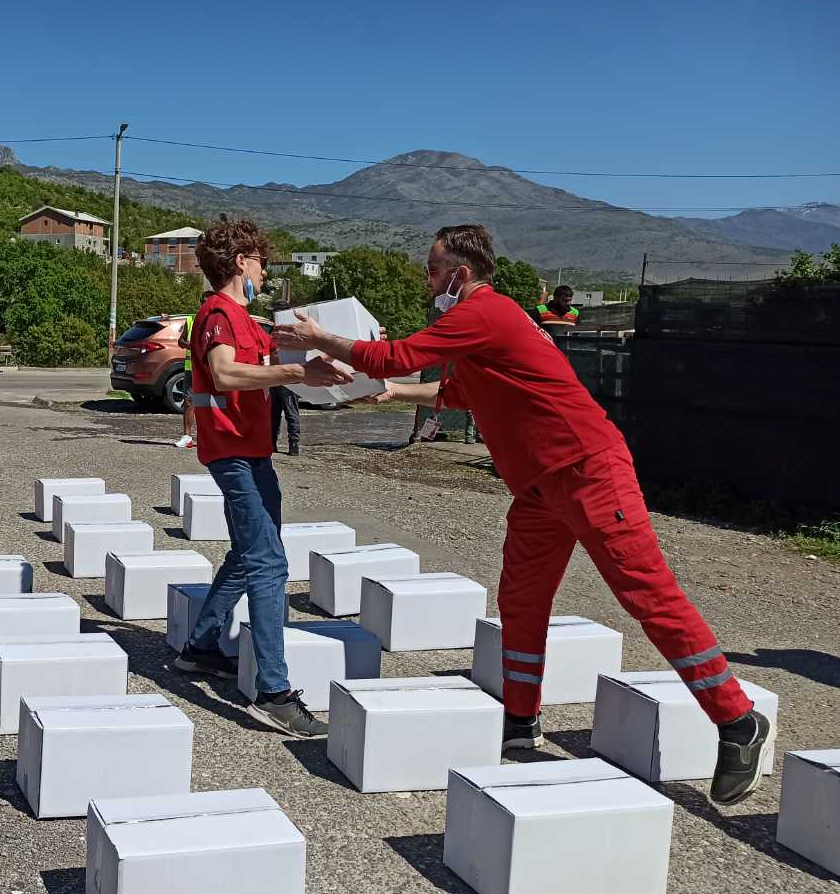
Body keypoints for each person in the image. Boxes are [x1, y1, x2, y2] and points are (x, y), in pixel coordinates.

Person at [273, 224, 773, 805]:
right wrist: (395, 394)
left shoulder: (485, 310)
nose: (428, 283)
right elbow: (460, 393)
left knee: (649, 596)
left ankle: (738, 721)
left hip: (588, 469)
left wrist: (320, 337)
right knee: (521, 600)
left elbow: (396, 355)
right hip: (541, 486)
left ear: (459, 274)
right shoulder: (482, 323)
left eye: (433, 272)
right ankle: (520, 719)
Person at [169, 219, 351, 738]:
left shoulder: (246, 320)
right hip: (233, 455)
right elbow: (224, 374)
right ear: (240, 262)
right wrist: (298, 373)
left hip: (253, 452)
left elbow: (272, 364)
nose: (266, 270)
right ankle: (274, 691)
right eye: (262, 261)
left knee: (249, 555)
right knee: (269, 562)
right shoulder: (218, 315)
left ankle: (201, 649)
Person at [268, 300, 301, 456]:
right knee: (273, 413)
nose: (271, 316)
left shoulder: (293, 331)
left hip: (288, 379)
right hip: (274, 377)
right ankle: (271, 443)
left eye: (273, 312)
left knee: (290, 412)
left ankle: (293, 444)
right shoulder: (274, 331)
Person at [175, 313, 196, 449]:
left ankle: (214, 438)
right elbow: (180, 341)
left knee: (212, 403)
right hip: (192, 368)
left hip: (211, 368)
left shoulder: (218, 319)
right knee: (189, 401)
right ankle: (186, 437)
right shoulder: (191, 319)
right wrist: (189, 345)